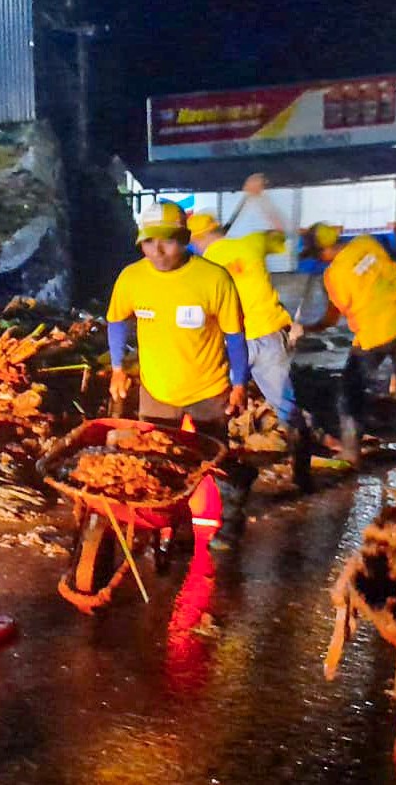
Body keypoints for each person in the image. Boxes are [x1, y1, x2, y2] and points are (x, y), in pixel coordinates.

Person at [107, 200, 253, 547]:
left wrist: (239, 383)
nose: (156, 251)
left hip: (208, 387)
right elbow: (116, 320)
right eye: (148, 241)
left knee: (213, 459)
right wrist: (116, 368)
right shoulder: (131, 277)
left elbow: (235, 336)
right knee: (155, 459)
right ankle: (165, 524)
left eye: (167, 240)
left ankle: (233, 509)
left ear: (185, 238)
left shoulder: (214, 278)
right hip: (157, 389)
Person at [187, 173, 312, 489]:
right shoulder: (251, 242)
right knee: (287, 407)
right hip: (269, 335)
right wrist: (260, 198)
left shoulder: (200, 268)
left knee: (218, 409)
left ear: (196, 239)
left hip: (231, 344)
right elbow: (288, 234)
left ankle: (223, 477)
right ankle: (302, 472)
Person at [301, 222, 396, 466]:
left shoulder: (333, 275)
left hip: (374, 334)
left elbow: (332, 317)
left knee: (350, 391)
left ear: (323, 252)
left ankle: (351, 452)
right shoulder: (367, 242)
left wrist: (307, 328)